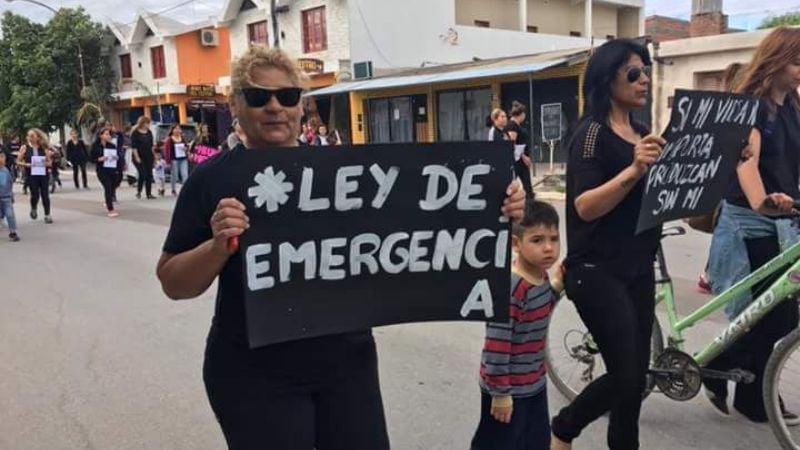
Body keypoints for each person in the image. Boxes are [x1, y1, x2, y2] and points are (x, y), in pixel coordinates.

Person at [156, 46, 526, 449]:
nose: (275, 107)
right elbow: (173, 282)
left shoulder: (345, 174)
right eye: (259, 97)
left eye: (288, 96)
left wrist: (496, 204)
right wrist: (217, 246)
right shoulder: (212, 180)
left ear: (302, 105)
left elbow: (422, 228)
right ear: (236, 105)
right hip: (254, 374)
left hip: (346, 367)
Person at [550, 39, 665, 450]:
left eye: (646, 71)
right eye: (634, 72)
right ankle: (564, 428)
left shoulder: (642, 134)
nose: (644, 79)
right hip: (596, 271)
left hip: (638, 267)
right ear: (607, 79)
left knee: (634, 383)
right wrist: (634, 169)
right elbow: (585, 207)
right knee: (626, 375)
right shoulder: (591, 134)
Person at [704, 27, 800, 424]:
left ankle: (746, 386)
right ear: (777, 61)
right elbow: (747, 163)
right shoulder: (753, 108)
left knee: (773, 313)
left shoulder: (793, 106)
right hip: (750, 221)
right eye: (797, 61)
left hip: (784, 220)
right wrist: (762, 202)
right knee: (774, 313)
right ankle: (729, 371)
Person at [470, 198, 563, 450]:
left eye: (554, 239)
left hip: (534, 383)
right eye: (537, 240)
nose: (548, 248)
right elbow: (496, 346)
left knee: (535, 442)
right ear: (515, 244)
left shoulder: (540, 277)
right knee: (499, 444)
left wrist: (555, 288)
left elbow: (538, 311)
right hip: (507, 389)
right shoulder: (512, 288)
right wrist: (500, 394)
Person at [16, 128, 54, 224]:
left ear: (38, 137)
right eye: (28, 136)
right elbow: (18, 161)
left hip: (43, 174)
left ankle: (47, 214)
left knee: (45, 194)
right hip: (31, 174)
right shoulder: (25, 148)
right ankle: (33, 207)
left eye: (32, 136)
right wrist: (27, 165)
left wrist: (42, 163)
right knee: (35, 194)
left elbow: (49, 162)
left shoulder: (43, 147)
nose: (30, 138)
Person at [506, 101, 534, 197]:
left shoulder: (517, 125)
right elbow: (512, 144)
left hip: (521, 160)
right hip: (518, 160)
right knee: (521, 183)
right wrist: (524, 157)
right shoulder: (512, 126)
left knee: (527, 185)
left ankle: (530, 199)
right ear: (521, 114)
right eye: (524, 114)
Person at [91, 128, 120, 218]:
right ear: (101, 135)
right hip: (101, 170)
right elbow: (91, 158)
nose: (108, 136)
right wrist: (99, 159)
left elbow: (117, 155)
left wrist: (116, 157)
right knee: (107, 186)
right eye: (106, 134)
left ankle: (108, 200)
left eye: (109, 134)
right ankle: (110, 208)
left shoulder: (112, 145)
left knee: (113, 185)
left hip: (111, 169)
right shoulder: (95, 146)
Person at [131, 116, 156, 199]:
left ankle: (148, 193)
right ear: (143, 123)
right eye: (147, 123)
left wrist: (154, 156)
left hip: (148, 156)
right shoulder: (135, 133)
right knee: (143, 173)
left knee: (149, 174)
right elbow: (134, 147)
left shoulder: (149, 132)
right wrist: (137, 157)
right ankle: (139, 190)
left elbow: (152, 146)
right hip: (139, 156)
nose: (148, 125)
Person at [163, 124, 189, 196]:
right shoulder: (169, 139)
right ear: (172, 130)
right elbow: (166, 151)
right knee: (174, 175)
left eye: (179, 129)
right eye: (176, 129)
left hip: (183, 159)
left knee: (185, 175)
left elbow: (187, 147)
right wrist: (168, 161)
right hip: (174, 160)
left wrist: (186, 149)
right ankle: (173, 189)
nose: (177, 130)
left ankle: (185, 190)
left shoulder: (182, 138)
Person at [0, 152, 20, 241]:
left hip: (6, 197)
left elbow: (10, 183)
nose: (1, 159)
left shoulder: (6, 171)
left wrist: (11, 195)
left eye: (2, 157)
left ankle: (12, 231)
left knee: (10, 214)